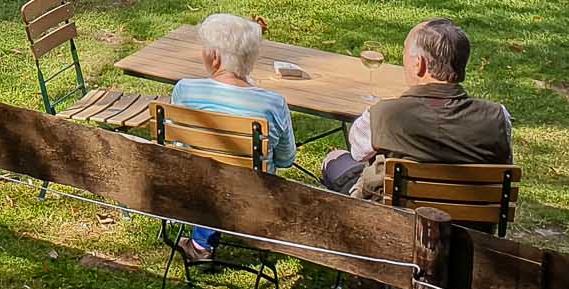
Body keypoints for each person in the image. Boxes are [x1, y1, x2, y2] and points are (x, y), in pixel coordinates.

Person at [321, 19, 512, 201]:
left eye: (405, 51)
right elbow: (504, 163)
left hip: (395, 217)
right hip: (471, 219)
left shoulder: (384, 115)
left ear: (419, 64)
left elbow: (357, 153)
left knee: (335, 159)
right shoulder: (498, 117)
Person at [169, 14, 297, 263]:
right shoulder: (273, 104)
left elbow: (180, 147)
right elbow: (286, 159)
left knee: (211, 172)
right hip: (252, 193)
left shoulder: (184, 90)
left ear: (214, 57)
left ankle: (200, 243)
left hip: (197, 188)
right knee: (228, 176)